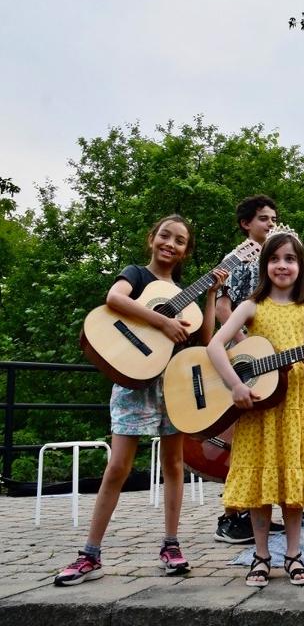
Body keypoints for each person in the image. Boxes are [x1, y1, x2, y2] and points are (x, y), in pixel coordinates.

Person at [55, 215, 226, 586]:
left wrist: (212, 294)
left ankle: (171, 545)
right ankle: (90, 553)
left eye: (180, 241)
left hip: (173, 384)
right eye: (165, 235)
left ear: (186, 251)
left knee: (174, 465)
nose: (170, 244)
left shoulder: (186, 297)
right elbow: (114, 298)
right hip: (133, 381)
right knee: (118, 466)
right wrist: (161, 322)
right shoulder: (136, 275)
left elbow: (207, 338)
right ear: (152, 238)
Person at [207, 228, 304, 586]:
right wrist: (236, 385)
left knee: (291, 486)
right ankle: (260, 556)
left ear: (300, 266)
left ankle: (294, 555)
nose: (282, 265)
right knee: (259, 484)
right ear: (264, 265)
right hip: (256, 407)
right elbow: (215, 346)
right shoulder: (250, 307)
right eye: (274, 259)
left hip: (293, 408)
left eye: (290, 259)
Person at [213, 194, 279, 544]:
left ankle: (260, 514)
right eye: (264, 219)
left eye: (273, 219)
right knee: (240, 437)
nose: (271, 224)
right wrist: (244, 345)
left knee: (265, 435)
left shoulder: (274, 260)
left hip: (270, 356)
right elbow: (222, 308)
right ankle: (230, 517)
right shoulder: (236, 259)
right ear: (246, 224)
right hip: (243, 358)